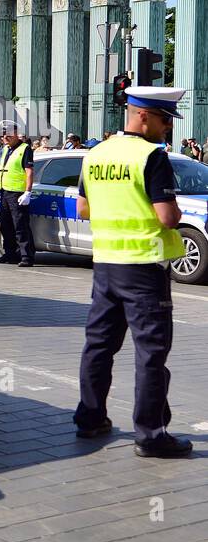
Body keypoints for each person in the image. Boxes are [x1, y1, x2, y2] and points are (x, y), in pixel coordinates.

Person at [74, 85, 192, 458]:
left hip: (106, 266)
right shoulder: (152, 157)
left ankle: (91, 419)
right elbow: (167, 217)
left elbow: (82, 209)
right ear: (142, 115)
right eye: (163, 119)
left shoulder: (96, 154)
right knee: (151, 354)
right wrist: (175, 214)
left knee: (99, 346)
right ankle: (151, 434)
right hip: (143, 269)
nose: (167, 128)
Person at [0, 120, 36, 267]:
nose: (5, 138)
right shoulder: (5, 149)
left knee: (20, 225)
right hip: (4, 191)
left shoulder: (25, 149)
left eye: (8, 135)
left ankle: (26, 256)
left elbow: (29, 172)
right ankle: (9, 254)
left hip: (17, 193)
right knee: (6, 225)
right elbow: (1, 169)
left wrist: (27, 192)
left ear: (16, 134)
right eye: (3, 135)